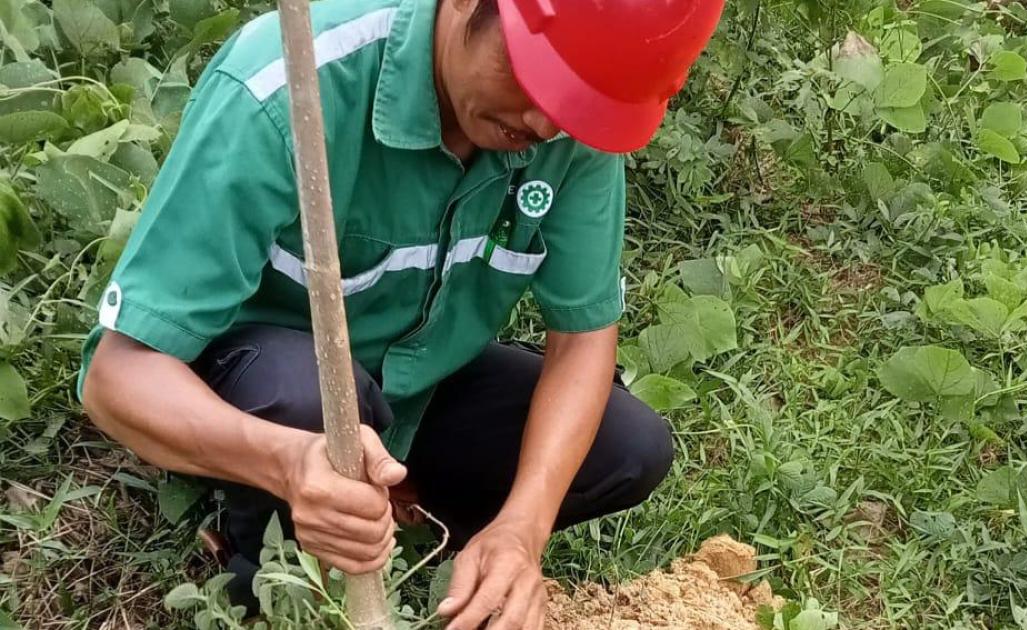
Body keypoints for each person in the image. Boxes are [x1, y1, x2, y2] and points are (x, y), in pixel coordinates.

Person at [79, 0, 723, 627]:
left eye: (578, 103)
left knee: (628, 447)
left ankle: (408, 510)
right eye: (537, 77)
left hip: (417, 382)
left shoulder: (568, 127)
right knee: (307, 398)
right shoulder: (288, 82)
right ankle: (263, 553)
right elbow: (117, 377)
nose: (543, 122)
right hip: (263, 388)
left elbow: (583, 342)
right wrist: (286, 462)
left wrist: (522, 530)